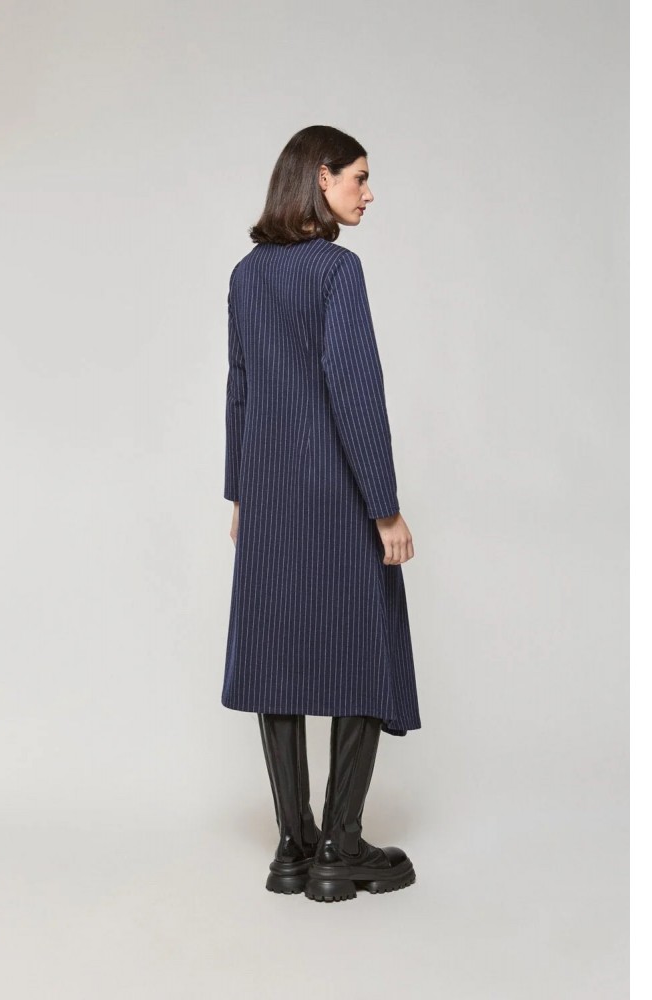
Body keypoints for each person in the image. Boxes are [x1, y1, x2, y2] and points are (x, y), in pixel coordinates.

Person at [222, 125, 421, 902]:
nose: (368, 193)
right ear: (321, 178)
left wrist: (240, 494)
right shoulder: (338, 270)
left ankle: (291, 847)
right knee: (363, 650)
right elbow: (356, 391)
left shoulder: (246, 275)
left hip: (270, 497)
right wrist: (386, 509)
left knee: (275, 655)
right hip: (335, 493)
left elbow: (239, 389)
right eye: (359, 177)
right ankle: (340, 847)